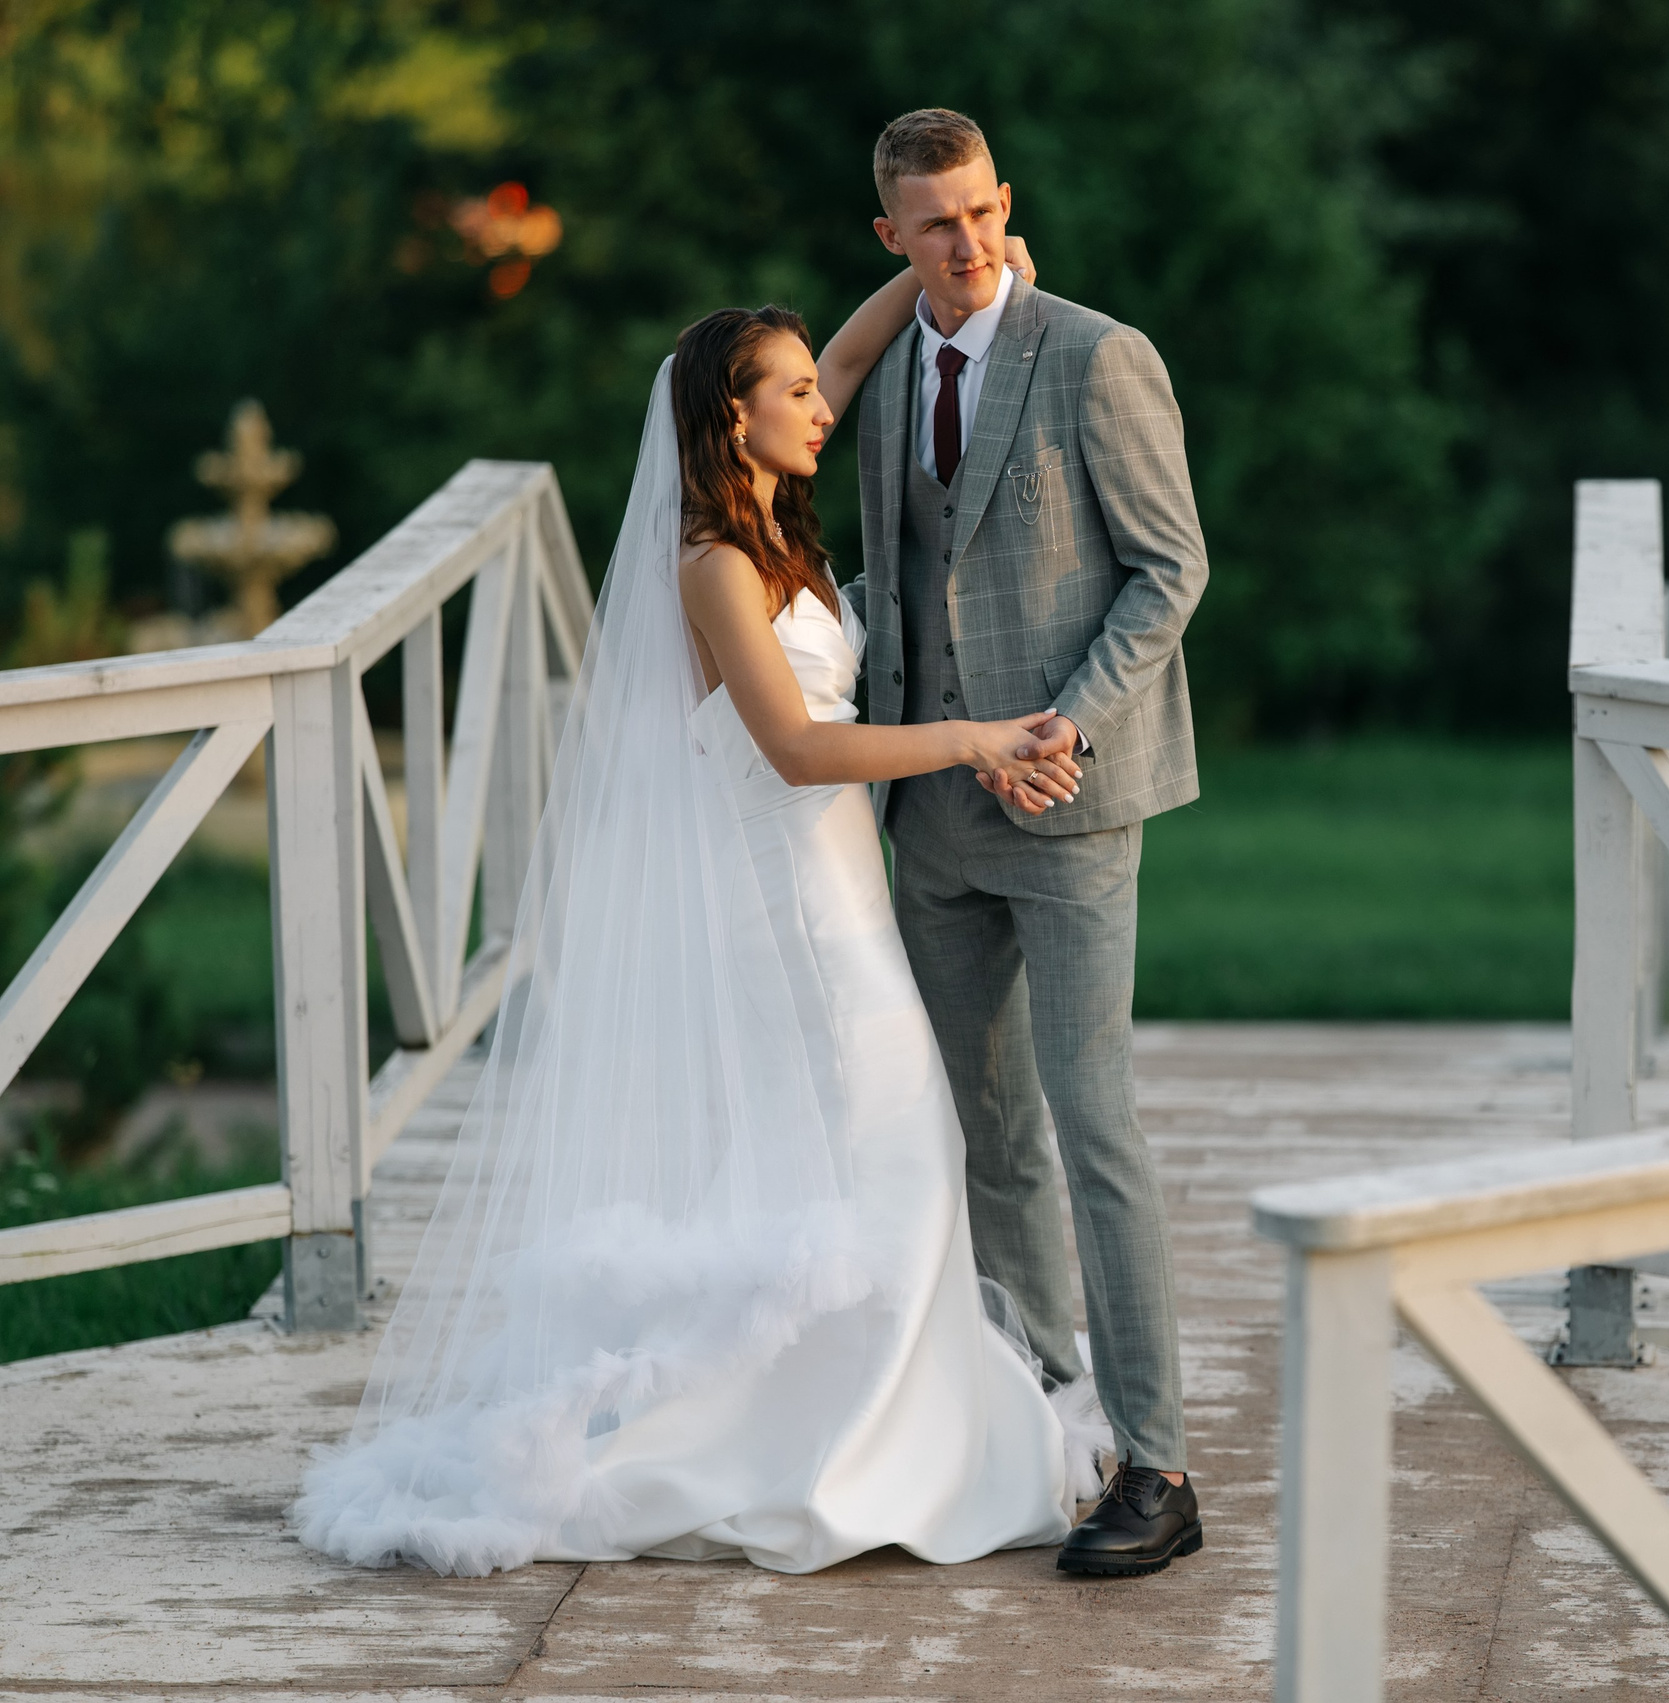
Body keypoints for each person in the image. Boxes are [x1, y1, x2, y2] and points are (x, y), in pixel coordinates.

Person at [291, 247, 1122, 1576]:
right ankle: (844, 1457)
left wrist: (943, 265)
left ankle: (879, 1433)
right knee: (898, 1144)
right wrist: (968, 736)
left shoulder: (769, 532)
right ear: (734, 417)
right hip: (792, 909)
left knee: (878, 1160)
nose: (824, 404)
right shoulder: (710, 568)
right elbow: (795, 749)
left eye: (812, 383)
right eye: (791, 391)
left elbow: (846, 358)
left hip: (838, 891)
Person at [814, 107, 1209, 1578]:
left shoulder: (1100, 356)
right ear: (893, 239)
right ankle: (1052, 1415)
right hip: (928, 817)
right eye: (937, 224)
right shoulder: (891, 370)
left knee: (1094, 1127)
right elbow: (902, 575)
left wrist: (1071, 729)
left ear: (1003, 204)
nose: (968, 243)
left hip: (1069, 811)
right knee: (982, 1133)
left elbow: (1171, 571)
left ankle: (1161, 1467)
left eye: (983, 213)